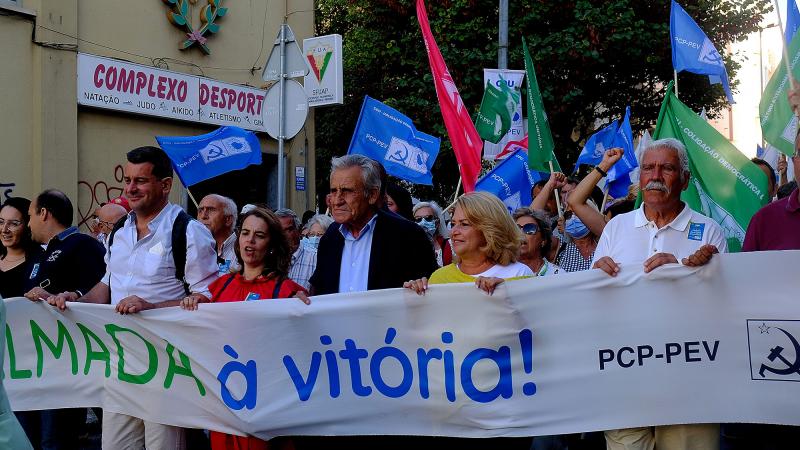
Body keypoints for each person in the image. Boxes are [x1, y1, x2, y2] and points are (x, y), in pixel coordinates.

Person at [47, 146, 219, 450]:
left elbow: (208, 299)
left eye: (140, 181)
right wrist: (72, 298)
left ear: (165, 185)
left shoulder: (188, 231)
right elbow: (106, 286)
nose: (130, 188)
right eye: (127, 180)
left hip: (168, 370)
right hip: (120, 365)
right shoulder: (119, 232)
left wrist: (150, 307)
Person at [592, 138, 726, 450]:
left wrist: (684, 270)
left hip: (688, 378)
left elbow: (723, 303)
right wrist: (597, 272)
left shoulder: (708, 232)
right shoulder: (616, 227)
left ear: (684, 179)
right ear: (639, 178)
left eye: (667, 168)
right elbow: (595, 297)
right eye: (648, 168)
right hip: (624, 374)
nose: (655, 175)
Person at [181, 206, 307, 450]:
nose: (250, 241)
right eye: (245, 233)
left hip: (265, 401)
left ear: (271, 244)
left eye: (259, 236)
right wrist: (191, 303)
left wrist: (304, 309)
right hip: (226, 402)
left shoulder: (286, 290)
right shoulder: (221, 285)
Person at [20, 189, 106, 450]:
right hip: (39, 361)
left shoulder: (84, 244)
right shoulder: (39, 253)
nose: (28, 223)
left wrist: (64, 298)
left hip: (71, 362)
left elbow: (100, 294)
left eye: (29, 215)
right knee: (38, 437)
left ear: (44, 213)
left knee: (55, 439)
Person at [309, 154, 437, 295]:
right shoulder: (330, 237)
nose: (337, 200)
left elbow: (431, 289)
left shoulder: (408, 236)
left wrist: (419, 286)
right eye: (334, 191)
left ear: (372, 195)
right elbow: (319, 292)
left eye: (347, 191)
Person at [404, 191, 533, 295]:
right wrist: (414, 297)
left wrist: (507, 292)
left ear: (490, 230)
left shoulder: (519, 274)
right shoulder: (438, 279)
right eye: (453, 224)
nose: (453, 232)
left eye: (464, 224)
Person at [0, 198, 42, 300]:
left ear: (28, 225)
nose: (4, 230)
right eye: (1, 222)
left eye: (14, 223)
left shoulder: (40, 262)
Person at [198, 193, 240, 274]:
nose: (203, 216)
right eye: (200, 210)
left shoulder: (243, 249)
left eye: (211, 210)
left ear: (228, 219)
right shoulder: (193, 247)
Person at [512, 207, 562, 276]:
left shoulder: (558, 275)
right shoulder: (502, 275)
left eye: (529, 228)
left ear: (543, 240)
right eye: (516, 228)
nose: (521, 233)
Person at [412, 201, 452, 267]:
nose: (423, 222)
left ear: (437, 222)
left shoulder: (450, 245)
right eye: (418, 219)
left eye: (428, 218)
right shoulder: (407, 246)